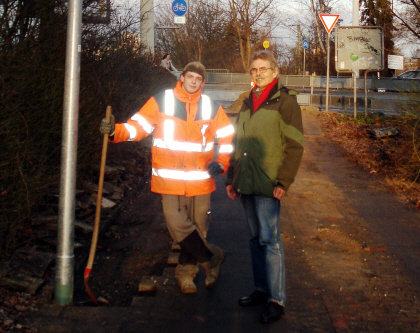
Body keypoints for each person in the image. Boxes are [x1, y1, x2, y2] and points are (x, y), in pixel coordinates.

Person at [100, 61, 234, 294]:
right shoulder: (162, 101)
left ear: (203, 82)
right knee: (177, 225)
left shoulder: (210, 107)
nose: (193, 82)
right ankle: (212, 257)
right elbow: (138, 127)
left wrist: (222, 162)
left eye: (198, 79)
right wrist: (115, 131)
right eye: (190, 77)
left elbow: (226, 135)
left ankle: (186, 276)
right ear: (181, 77)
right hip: (169, 180)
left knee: (198, 227)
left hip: (201, 179)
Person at [225, 50, 304, 323]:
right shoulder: (248, 101)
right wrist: (230, 178)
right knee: (256, 239)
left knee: (270, 241)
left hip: (269, 183)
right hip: (246, 181)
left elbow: (295, 145)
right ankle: (261, 289)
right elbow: (238, 142)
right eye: (254, 70)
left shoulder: (285, 101)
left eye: (263, 69)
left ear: (275, 72)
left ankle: (276, 299)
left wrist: (284, 181)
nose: (257, 74)